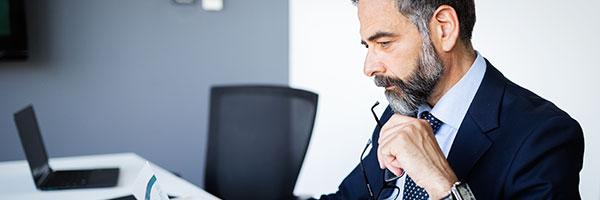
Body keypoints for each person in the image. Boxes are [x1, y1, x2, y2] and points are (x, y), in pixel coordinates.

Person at [317, 0, 585, 199]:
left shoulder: (544, 135)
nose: (369, 67)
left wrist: (442, 185)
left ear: (444, 29)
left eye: (384, 43)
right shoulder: (403, 107)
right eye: (368, 46)